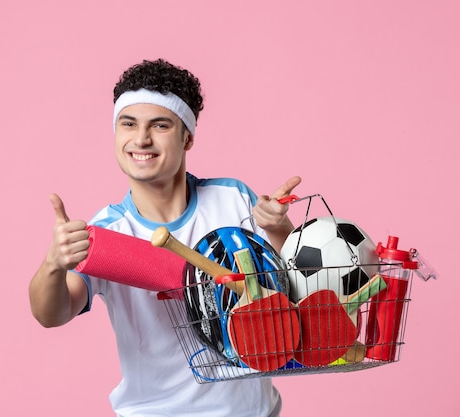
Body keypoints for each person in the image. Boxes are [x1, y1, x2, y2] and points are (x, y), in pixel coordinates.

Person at [29, 58, 301, 417]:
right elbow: (53, 313)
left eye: (159, 125)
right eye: (128, 124)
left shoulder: (233, 199)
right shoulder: (107, 233)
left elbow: (295, 284)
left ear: (187, 137)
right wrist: (53, 264)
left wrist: (278, 228)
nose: (141, 138)